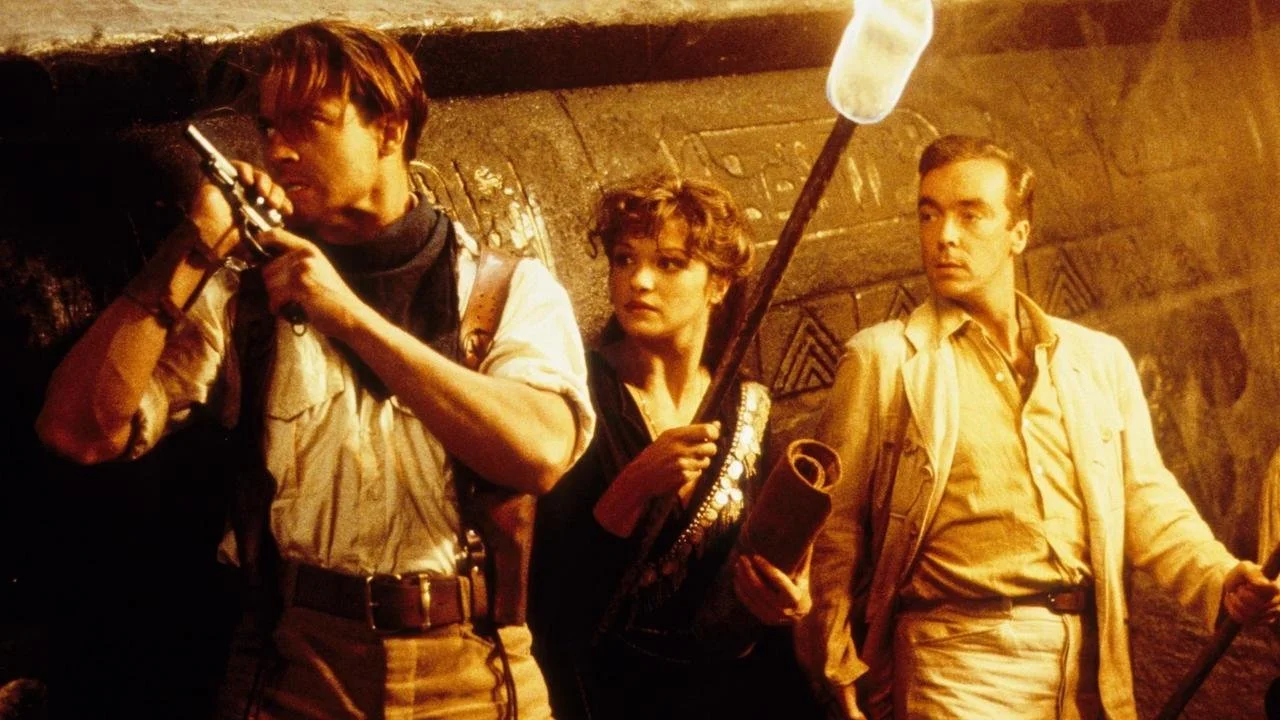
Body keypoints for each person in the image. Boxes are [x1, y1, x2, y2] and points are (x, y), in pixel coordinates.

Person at [34, 19, 593, 719]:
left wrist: (349, 318)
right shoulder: (243, 297)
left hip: (475, 671)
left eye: (309, 122)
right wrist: (193, 247)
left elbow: (538, 453)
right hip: (295, 666)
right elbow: (77, 431)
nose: (278, 149)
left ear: (389, 130)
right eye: (270, 127)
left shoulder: (506, 290)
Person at [794, 134, 1280, 720]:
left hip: (1090, 660)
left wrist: (1220, 578)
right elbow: (833, 533)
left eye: (970, 214)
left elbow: (1147, 501)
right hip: (956, 662)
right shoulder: (885, 360)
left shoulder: (1097, 360)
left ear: (1018, 233)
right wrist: (835, 661)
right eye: (929, 214)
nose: (945, 235)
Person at [529, 173, 819, 719]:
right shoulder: (573, 397)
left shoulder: (747, 406)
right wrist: (633, 487)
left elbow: (763, 559)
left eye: (669, 263)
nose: (638, 280)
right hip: (618, 696)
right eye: (624, 259)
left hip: (739, 691)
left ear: (719, 284)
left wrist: (790, 598)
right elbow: (550, 600)